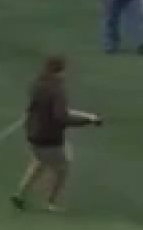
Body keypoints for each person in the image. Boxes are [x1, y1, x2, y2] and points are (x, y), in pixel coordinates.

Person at [11, 55, 100, 212]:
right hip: (49, 137)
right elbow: (62, 117)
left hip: (33, 134)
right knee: (61, 168)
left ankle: (20, 193)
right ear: (60, 71)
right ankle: (50, 202)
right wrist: (88, 121)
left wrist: (87, 117)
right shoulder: (57, 90)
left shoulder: (37, 85)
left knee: (39, 163)